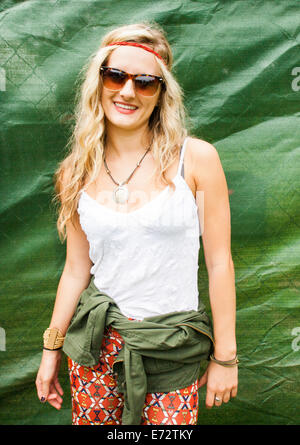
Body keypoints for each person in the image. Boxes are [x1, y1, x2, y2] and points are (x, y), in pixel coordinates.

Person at [35, 22, 238, 426]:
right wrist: (50, 348)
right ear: (99, 82)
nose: (128, 91)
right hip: (96, 347)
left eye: (145, 82)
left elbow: (219, 263)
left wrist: (226, 357)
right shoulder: (76, 171)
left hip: (172, 347)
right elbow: (77, 268)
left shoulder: (195, 161)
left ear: (161, 94)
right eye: (116, 76)